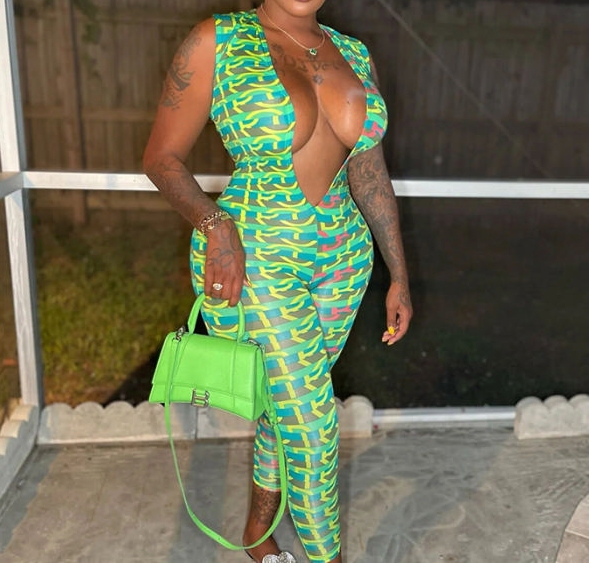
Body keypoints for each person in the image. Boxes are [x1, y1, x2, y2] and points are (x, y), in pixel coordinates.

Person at [143, 1, 412, 561]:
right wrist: (216, 226)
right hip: (254, 255)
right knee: (313, 426)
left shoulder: (354, 53)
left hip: (344, 259)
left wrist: (399, 274)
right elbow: (161, 158)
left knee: (289, 402)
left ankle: (256, 532)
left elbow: (369, 173)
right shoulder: (218, 40)